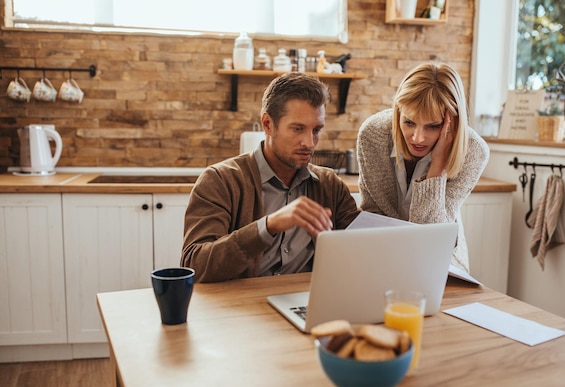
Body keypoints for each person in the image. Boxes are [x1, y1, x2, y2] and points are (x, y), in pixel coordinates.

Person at [181, 72, 360, 283]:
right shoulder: (220, 180)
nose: (309, 143)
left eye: (317, 130)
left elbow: (361, 248)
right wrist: (268, 226)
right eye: (297, 129)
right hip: (242, 306)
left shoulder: (330, 185)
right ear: (267, 124)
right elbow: (195, 264)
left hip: (307, 304)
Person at [356, 63, 489, 273]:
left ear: (452, 121)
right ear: (398, 111)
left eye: (433, 126)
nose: (418, 138)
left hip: (443, 264)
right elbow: (372, 214)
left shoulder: (473, 151)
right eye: (409, 122)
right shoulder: (372, 134)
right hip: (383, 257)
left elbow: (433, 239)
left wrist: (437, 168)